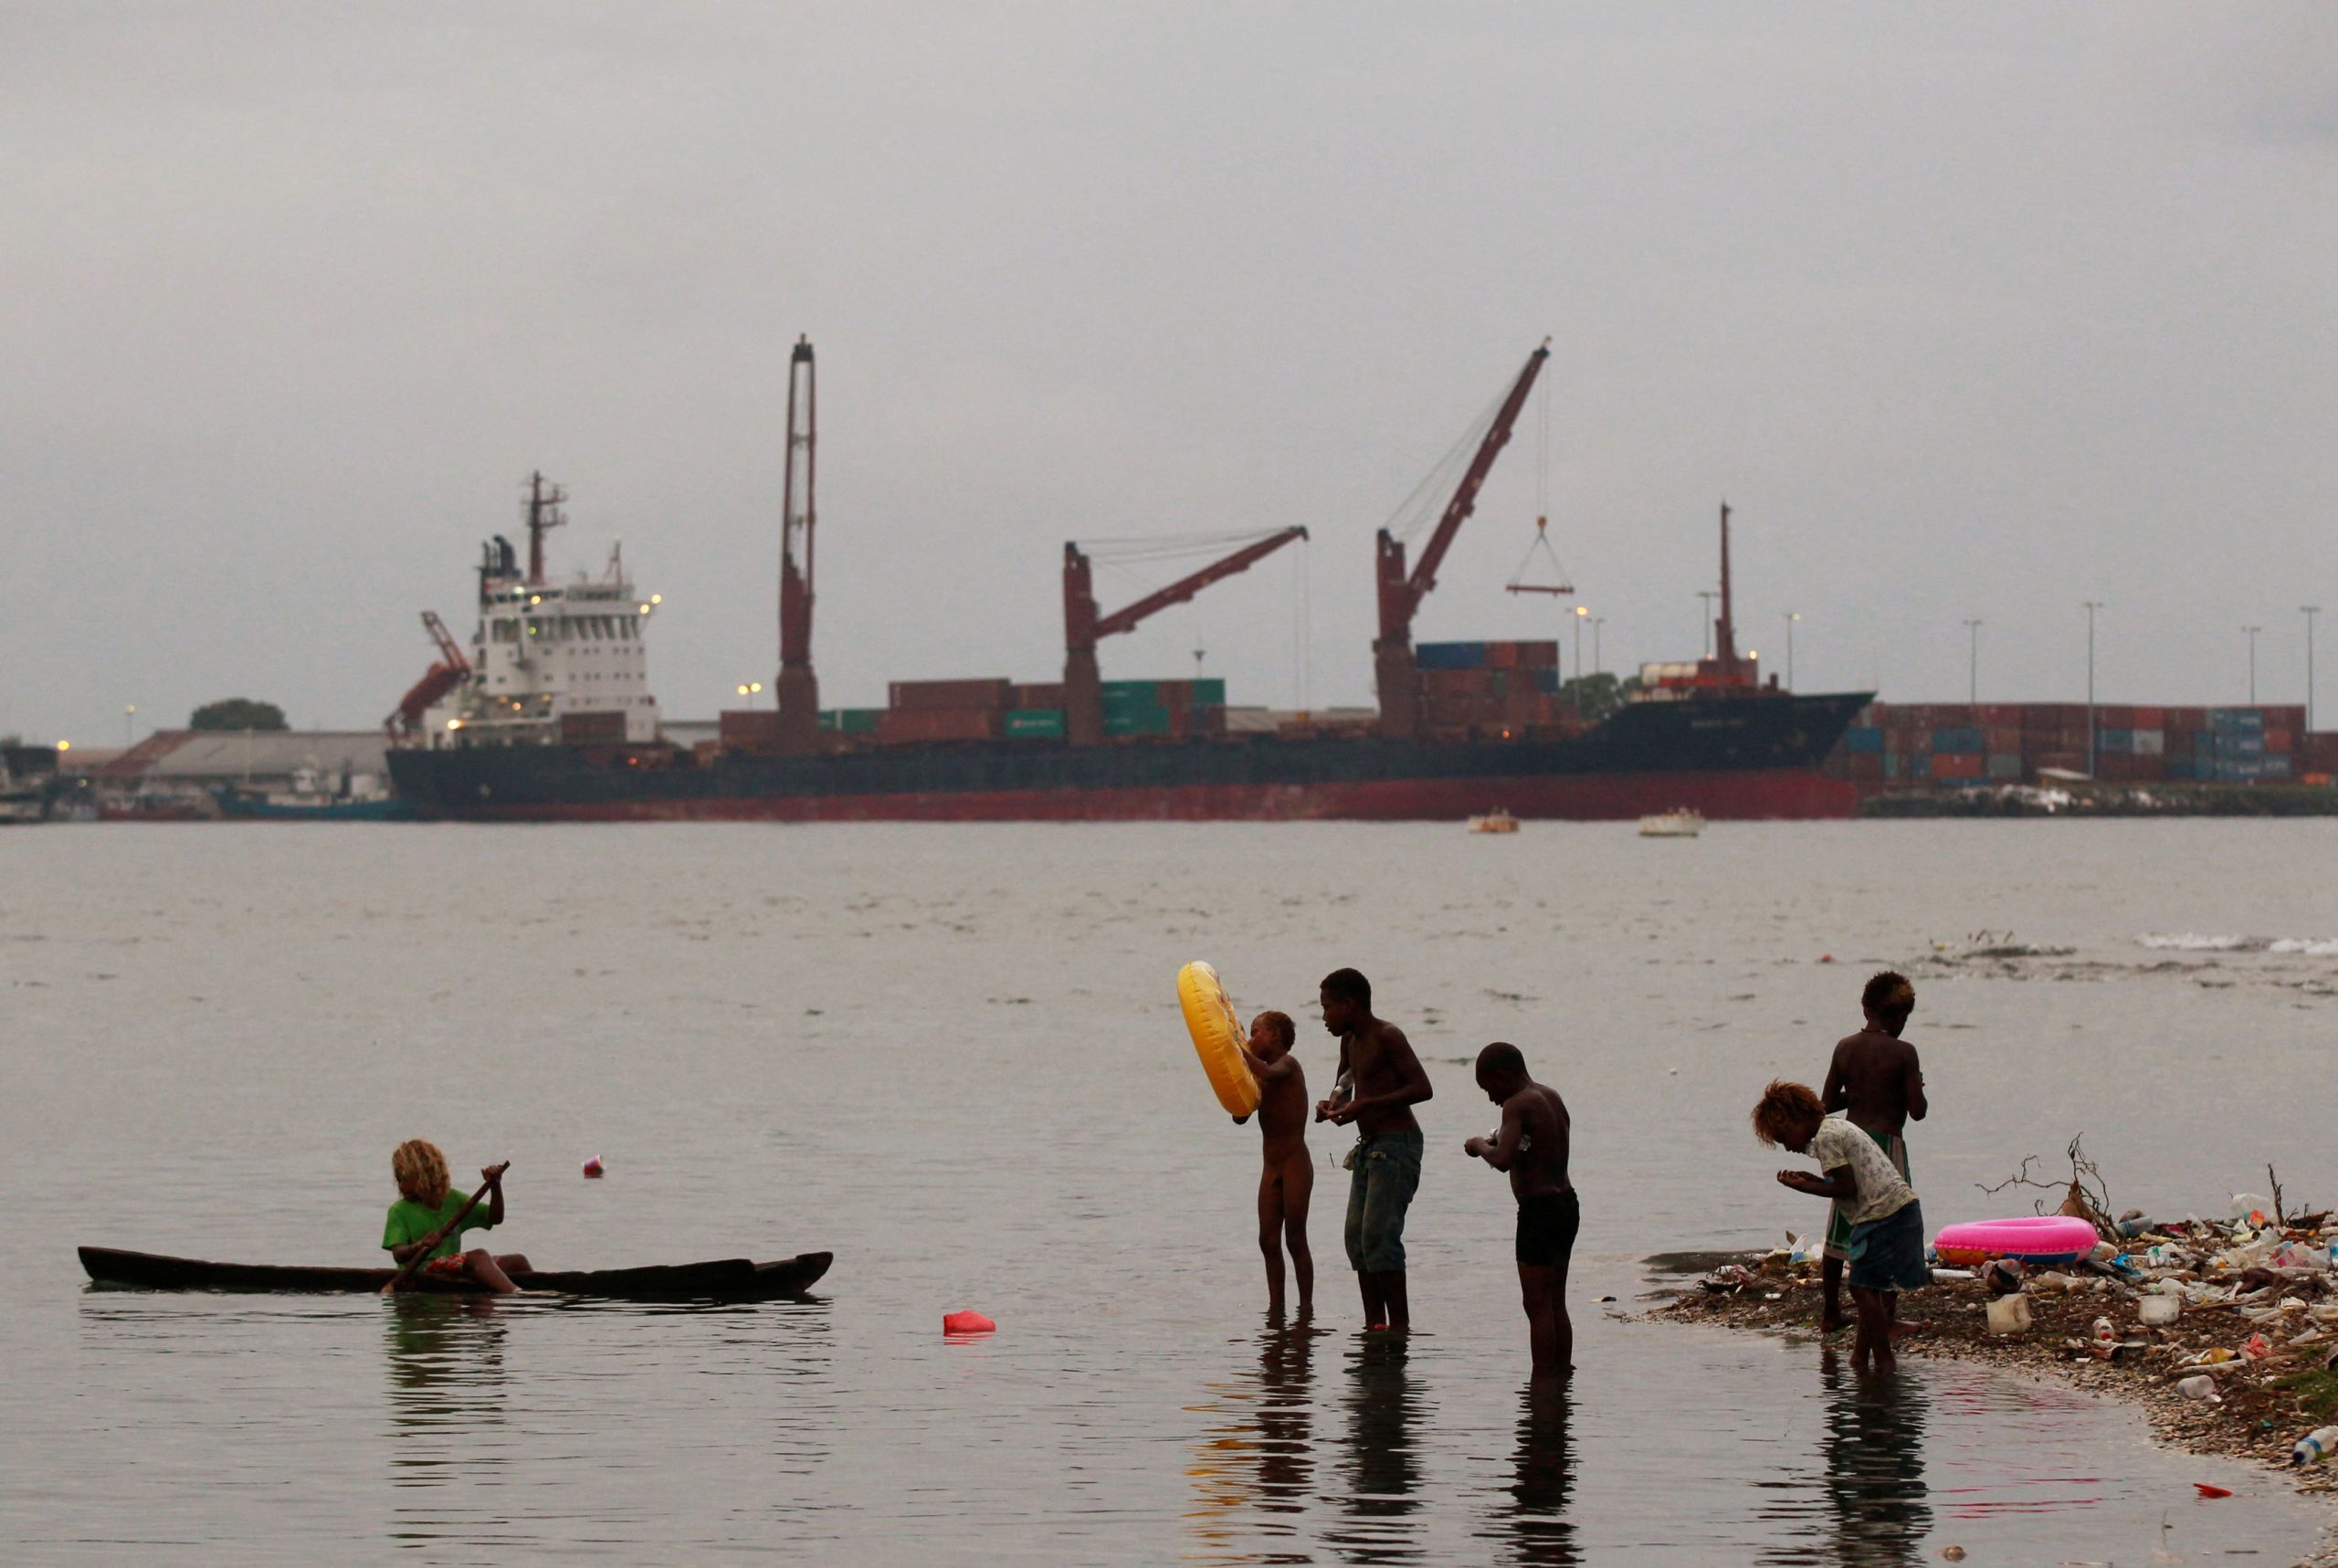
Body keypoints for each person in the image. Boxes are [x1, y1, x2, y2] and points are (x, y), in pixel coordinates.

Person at [1752, 1080, 1926, 1373]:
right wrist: (1812, 1180)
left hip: (1884, 1216)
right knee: (1869, 1287)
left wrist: (1807, 1188)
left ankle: (1884, 1361)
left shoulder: (1825, 1139)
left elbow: (1845, 1189)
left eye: (1784, 1138)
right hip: (1898, 1211)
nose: (1788, 1147)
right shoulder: (1833, 1128)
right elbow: (1847, 1182)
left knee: (1861, 1288)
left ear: (1797, 1119)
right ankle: (1860, 1358)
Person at [1314, 967, 1432, 1331]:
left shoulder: (1387, 1036)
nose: (1324, 1017)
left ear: (1350, 1004)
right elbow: (1344, 1086)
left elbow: (1422, 1088)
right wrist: (1331, 1106)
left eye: (1328, 1008)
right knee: (1358, 1239)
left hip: (1397, 1145)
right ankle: (1374, 1325)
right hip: (1369, 1147)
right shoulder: (1348, 1041)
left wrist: (1368, 1105)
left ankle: (1399, 1327)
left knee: (1381, 1237)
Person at [1817, 972, 1926, 1334]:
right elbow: (1918, 1109)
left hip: (1849, 1142)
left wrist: (1861, 1091)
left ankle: (1831, 1312)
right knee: (1891, 1228)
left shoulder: (1845, 1047)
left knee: (1840, 1229)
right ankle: (1887, 1319)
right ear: (1899, 1016)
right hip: (1886, 1149)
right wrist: (1913, 1083)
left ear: (1866, 1008)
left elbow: (1828, 1103)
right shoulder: (1904, 1052)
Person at [1463, 1042, 1575, 1378]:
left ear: (1504, 1075)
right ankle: (1561, 1376)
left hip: (1538, 1212)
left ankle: (1542, 1382)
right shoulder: (1549, 1097)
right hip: (1566, 1204)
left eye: (1489, 1088)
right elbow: (1533, 1145)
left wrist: (1478, 1144)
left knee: (1536, 1304)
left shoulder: (1516, 1103)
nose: (1491, 1098)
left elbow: (1501, 1160)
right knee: (1556, 1301)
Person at [1237, 1009, 1314, 1314]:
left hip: (1295, 1164)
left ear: (1275, 1036)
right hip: (1270, 1167)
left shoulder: (1287, 1066)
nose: (1250, 1038)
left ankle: (1305, 1308)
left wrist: (1236, 1051)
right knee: (1268, 1239)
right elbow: (1239, 1117)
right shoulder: (1259, 1078)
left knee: (1295, 1238)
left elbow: (1270, 1073)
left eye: (1256, 1032)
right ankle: (1276, 1307)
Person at [384, 1139, 528, 1294]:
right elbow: (398, 1254)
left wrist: (495, 1186)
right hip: (423, 1269)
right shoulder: (399, 1210)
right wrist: (419, 1245)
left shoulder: (452, 1199)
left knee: (518, 1261)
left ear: (425, 1176)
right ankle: (516, 1293)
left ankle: (538, 1292)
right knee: (479, 1256)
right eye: (398, 1180)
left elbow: (495, 1218)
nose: (401, 1186)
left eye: (404, 1179)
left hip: (451, 1265)